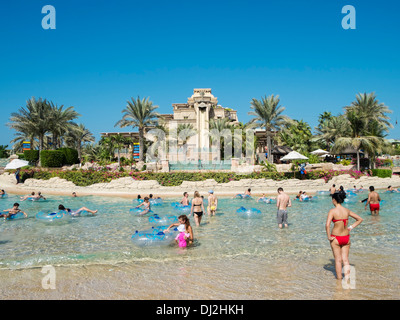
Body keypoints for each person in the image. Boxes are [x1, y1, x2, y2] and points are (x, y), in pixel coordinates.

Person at [326, 191, 363, 281]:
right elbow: (360, 219)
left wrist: (328, 236)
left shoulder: (332, 211)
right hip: (346, 238)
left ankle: (339, 281)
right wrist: (350, 227)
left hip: (336, 237)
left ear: (334, 200)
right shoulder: (346, 210)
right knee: (345, 260)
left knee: (338, 260)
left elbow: (327, 225)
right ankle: (347, 280)